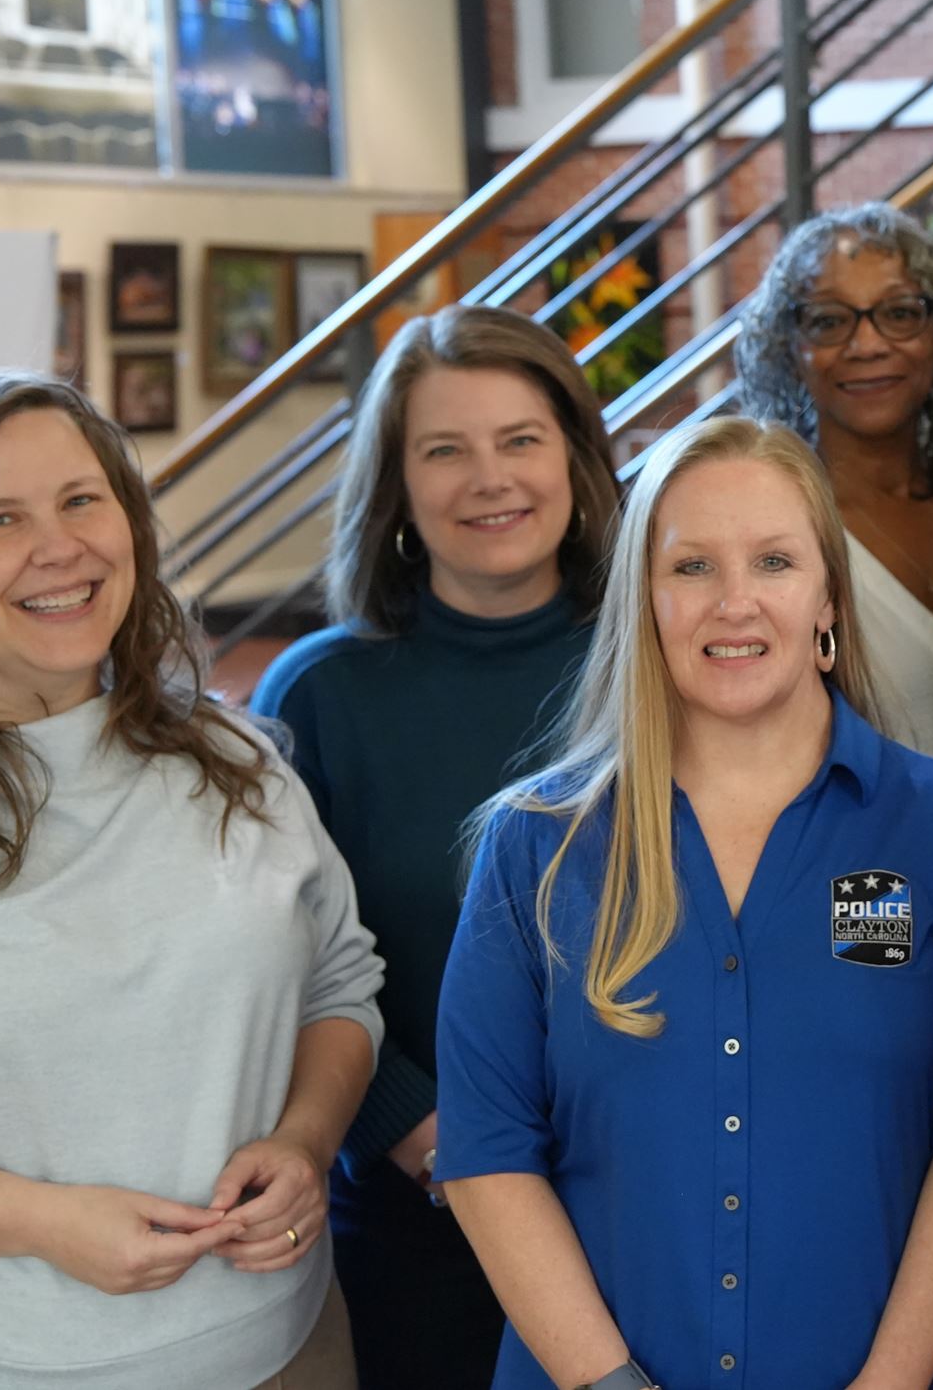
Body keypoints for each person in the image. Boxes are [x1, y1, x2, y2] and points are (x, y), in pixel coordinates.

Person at [0, 371, 383, 1389]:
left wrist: (306, 1143)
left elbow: (339, 983)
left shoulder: (236, 756)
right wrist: (44, 1223)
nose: (60, 546)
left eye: (84, 499)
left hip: (287, 1348)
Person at [437, 416, 933, 1390]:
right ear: (642, 599)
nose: (734, 601)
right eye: (692, 565)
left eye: (775, 560)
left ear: (827, 594)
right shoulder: (534, 844)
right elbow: (488, 1148)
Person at [251, 305, 621, 1389]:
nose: (489, 477)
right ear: (397, 487)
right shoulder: (319, 693)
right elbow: (282, 959)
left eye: (519, 439)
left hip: (653, 1189)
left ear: (573, 457)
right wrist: (416, 1128)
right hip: (423, 1211)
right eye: (443, 449)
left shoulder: (658, 650)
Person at [739, 203, 933, 799]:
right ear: (788, 348)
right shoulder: (776, 544)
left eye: (900, 313)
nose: (867, 343)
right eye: (829, 321)